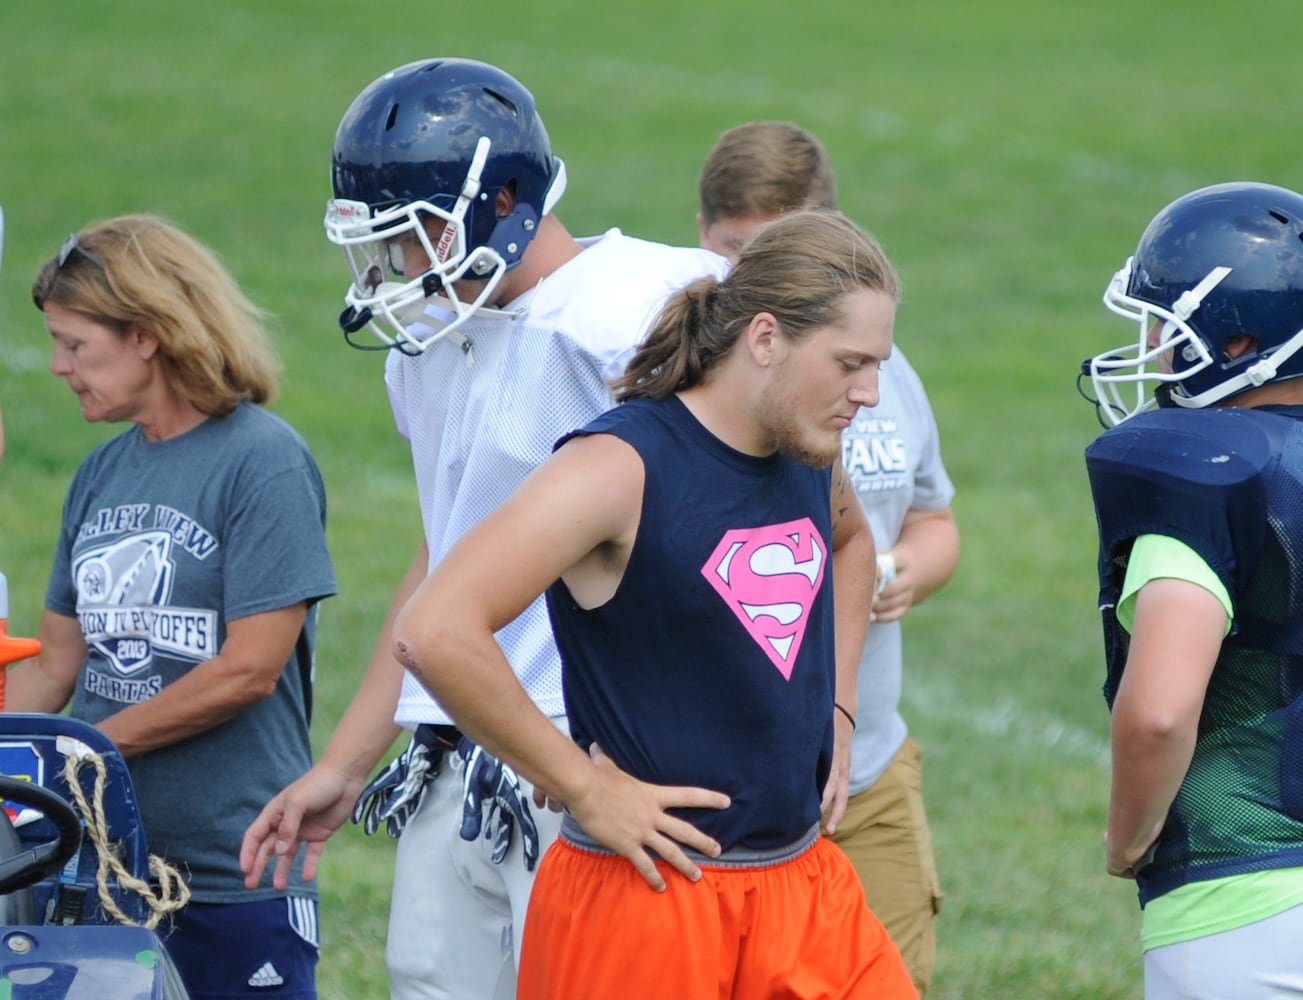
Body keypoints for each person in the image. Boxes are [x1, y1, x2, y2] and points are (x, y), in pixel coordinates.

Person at [239, 57, 729, 1000]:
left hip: (596, 755)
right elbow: (445, 563)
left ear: (505, 199)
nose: (399, 268)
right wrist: (346, 765)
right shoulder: (427, 349)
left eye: (416, 235)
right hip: (462, 746)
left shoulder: (632, 314)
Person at [390, 208, 917, 999]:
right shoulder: (616, 468)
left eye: (875, 365)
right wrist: (584, 786)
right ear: (764, 338)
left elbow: (851, 544)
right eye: (850, 363)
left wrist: (836, 712)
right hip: (644, 903)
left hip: (800, 885)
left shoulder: (806, 452)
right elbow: (434, 629)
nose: (870, 393)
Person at [6, 213, 336, 999]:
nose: (57, 367)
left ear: (148, 334)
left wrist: (81, 762)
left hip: (235, 869)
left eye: (76, 344)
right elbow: (57, 662)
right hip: (98, 871)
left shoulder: (263, 461)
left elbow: (248, 670)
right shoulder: (100, 474)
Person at [698, 120, 959, 997]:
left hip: (870, 772)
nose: (756, 278)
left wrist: (912, 566)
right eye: (738, 250)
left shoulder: (881, 375)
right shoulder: (694, 406)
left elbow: (932, 518)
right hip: (725, 802)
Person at [1080, 180, 1303, 999]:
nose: (1148, 345)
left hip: (1246, 895)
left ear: (1239, 341)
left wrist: (1124, 836)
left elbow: (1157, 711)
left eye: (1164, 326)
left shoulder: (1203, 474)